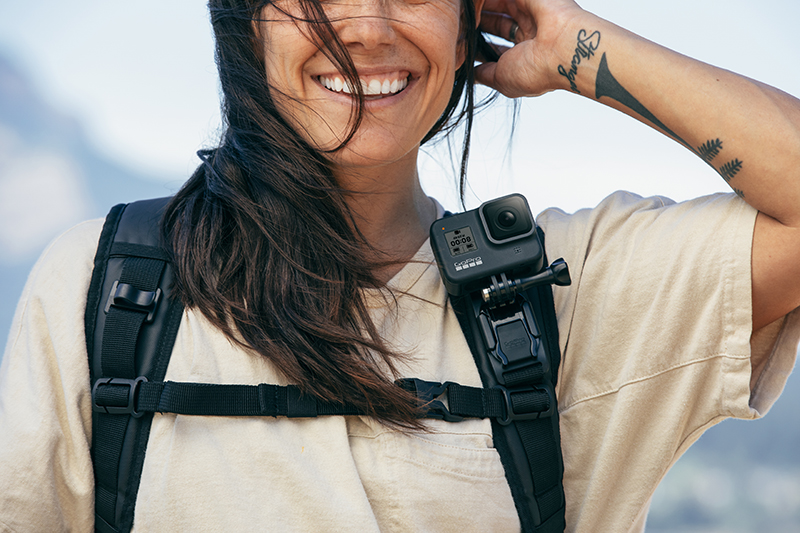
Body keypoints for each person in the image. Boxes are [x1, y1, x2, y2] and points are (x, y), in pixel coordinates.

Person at [1, 0, 799, 531]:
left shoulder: (559, 294)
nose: (368, 26)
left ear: (468, 25)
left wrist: (574, 44)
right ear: (245, 24)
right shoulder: (111, 292)